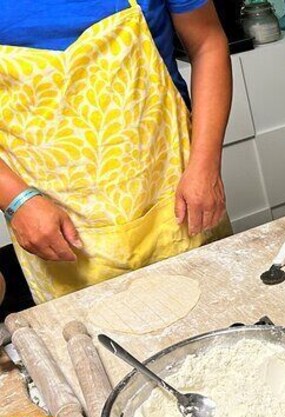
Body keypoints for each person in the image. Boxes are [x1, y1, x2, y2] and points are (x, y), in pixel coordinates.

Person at [0, 0, 232, 303]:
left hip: (176, 200)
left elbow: (208, 43)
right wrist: (16, 199)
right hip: (56, 228)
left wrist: (205, 165)